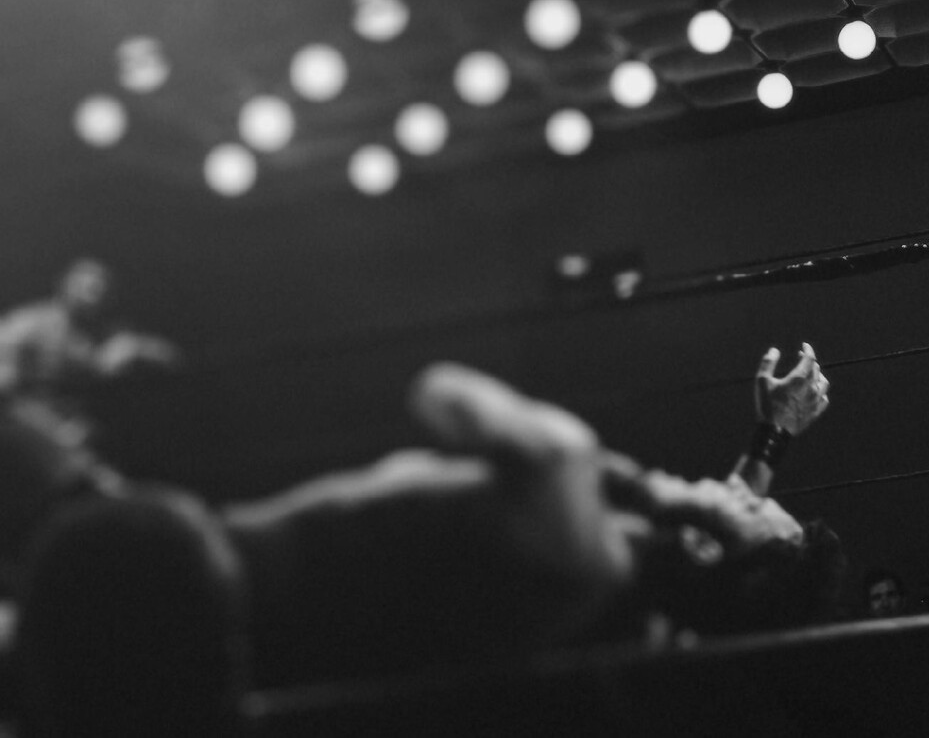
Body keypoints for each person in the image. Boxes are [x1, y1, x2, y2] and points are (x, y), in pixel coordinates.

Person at [10, 342, 841, 728]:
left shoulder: (568, 500)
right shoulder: (608, 615)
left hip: (182, 574)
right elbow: (725, 563)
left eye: (749, 507)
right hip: (222, 634)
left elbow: (442, 391)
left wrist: (635, 480)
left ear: (709, 541)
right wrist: (769, 442)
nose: (735, 491)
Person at [0, 258, 182, 452]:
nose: (94, 295)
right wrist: (52, 431)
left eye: (101, 290)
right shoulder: (26, 324)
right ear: (65, 285)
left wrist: (138, 348)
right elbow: (5, 390)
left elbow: (173, 359)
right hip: (30, 430)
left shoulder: (107, 330)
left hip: (87, 427)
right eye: (87, 288)